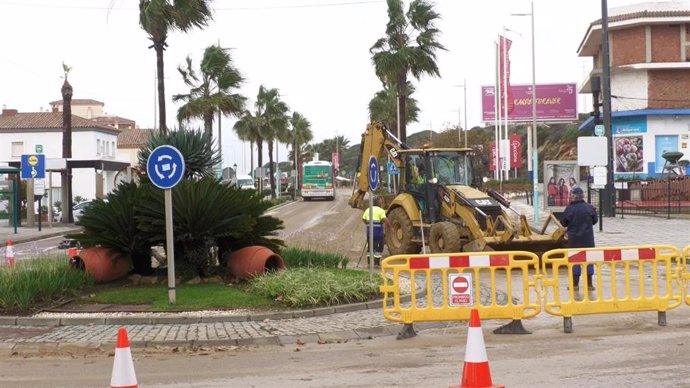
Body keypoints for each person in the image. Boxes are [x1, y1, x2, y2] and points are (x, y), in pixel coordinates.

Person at [561, 186, 598, 291]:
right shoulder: (589, 207)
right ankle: (589, 284)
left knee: (575, 262)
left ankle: (575, 285)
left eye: (570, 196)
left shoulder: (569, 209)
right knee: (589, 261)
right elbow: (595, 220)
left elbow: (563, 223)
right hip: (588, 239)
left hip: (574, 241)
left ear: (574, 197)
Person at [362, 196, 391, 264]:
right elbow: (384, 219)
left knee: (370, 246)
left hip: (369, 233)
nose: (381, 203)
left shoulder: (368, 210)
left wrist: (368, 224)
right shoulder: (381, 211)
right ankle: (376, 263)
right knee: (379, 246)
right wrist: (390, 226)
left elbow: (363, 219)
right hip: (378, 233)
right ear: (378, 203)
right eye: (380, 202)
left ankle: (369, 262)